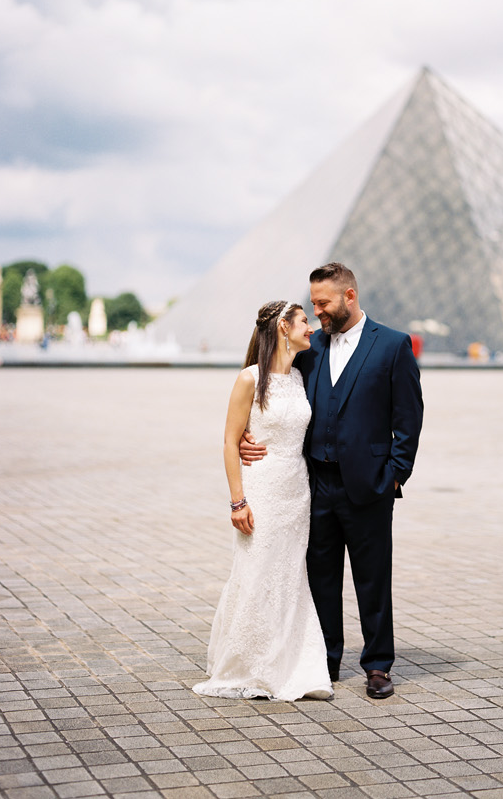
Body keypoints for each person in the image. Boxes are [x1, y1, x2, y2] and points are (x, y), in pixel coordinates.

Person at [241, 263, 423, 699]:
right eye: (313, 304)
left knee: (372, 580)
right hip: (314, 484)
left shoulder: (393, 346)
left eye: (323, 303)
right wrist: (251, 433)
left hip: (370, 486)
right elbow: (267, 380)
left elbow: (409, 419)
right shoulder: (311, 347)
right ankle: (326, 661)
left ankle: (378, 666)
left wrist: (394, 477)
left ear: (350, 296)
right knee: (320, 578)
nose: (317, 311)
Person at [193, 300, 332, 702]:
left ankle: (292, 665)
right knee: (256, 574)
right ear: (283, 328)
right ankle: (249, 666)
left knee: (290, 578)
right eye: (305, 320)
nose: (312, 326)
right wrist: (238, 501)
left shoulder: (300, 379)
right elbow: (228, 442)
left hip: (296, 491)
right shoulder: (249, 379)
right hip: (263, 490)